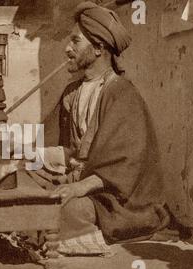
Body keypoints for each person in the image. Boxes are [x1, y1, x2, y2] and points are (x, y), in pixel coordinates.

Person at [30, 2, 169, 244]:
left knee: (55, 213)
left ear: (98, 48)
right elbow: (69, 152)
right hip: (78, 182)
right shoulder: (72, 92)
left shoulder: (122, 94)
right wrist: (29, 156)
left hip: (115, 200)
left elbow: (122, 169)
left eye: (75, 41)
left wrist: (76, 188)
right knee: (18, 182)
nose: (67, 48)